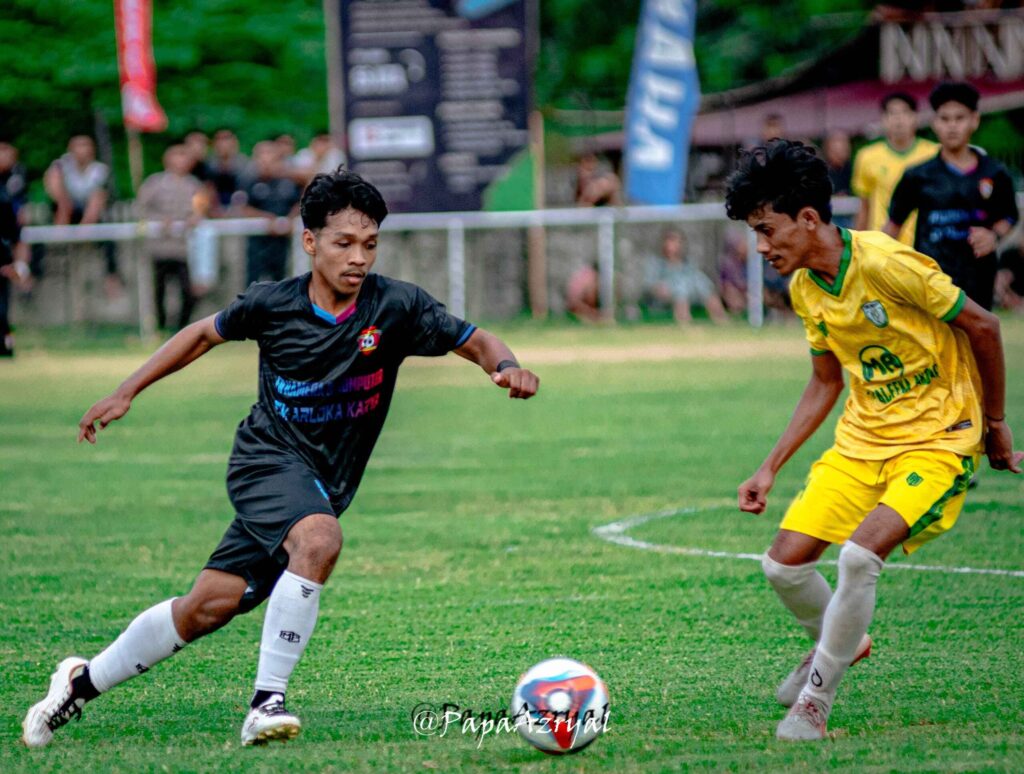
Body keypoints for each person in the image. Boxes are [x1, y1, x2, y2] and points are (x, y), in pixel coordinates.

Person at [21, 168, 540, 748]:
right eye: (344, 242)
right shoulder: (272, 304)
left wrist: (505, 366)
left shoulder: (396, 306)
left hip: (323, 482)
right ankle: (265, 703)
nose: (358, 257)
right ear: (310, 241)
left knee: (207, 607)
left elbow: (475, 339)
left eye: (370, 244)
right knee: (318, 539)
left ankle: (79, 682)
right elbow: (200, 334)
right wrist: (126, 391)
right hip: (265, 462)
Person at [725, 139, 1022, 741]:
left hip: (938, 438)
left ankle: (814, 704)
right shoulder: (806, 287)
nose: (761, 247)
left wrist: (994, 424)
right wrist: (769, 466)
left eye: (766, 230)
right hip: (862, 443)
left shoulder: (887, 264)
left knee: (859, 557)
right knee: (782, 567)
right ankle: (843, 642)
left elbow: (984, 326)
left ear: (809, 218)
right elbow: (825, 381)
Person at [885, 82, 1019, 310]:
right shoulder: (917, 176)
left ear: (974, 120)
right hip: (932, 281)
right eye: (945, 119)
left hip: (978, 280)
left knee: (977, 332)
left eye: (959, 118)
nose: (952, 126)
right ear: (935, 123)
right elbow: (892, 227)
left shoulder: (994, 173)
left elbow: (1009, 216)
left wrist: (993, 237)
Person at [852, 92, 938, 243]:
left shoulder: (935, 154)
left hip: (924, 243)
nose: (899, 119)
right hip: (883, 244)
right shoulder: (867, 156)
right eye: (892, 113)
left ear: (915, 117)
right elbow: (864, 207)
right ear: (883, 119)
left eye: (905, 112)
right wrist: (858, 244)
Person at [136, 144, 204, 331]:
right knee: (159, 289)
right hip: (160, 247)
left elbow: (200, 209)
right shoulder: (154, 183)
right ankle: (160, 326)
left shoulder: (194, 185)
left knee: (188, 290)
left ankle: (182, 327)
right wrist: (159, 221)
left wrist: (195, 217)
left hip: (184, 249)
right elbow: (141, 209)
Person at [43, 135, 121, 295]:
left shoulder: (99, 170)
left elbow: (97, 200)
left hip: (89, 214)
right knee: (37, 234)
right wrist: (63, 214)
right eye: (78, 146)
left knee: (109, 238)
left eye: (86, 145)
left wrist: (85, 227)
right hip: (63, 210)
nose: (82, 150)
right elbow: (53, 188)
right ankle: (35, 273)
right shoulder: (60, 166)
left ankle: (112, 276)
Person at [238, 140, 302, 284]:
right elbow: (242, 207)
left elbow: (300, 202)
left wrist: (290, 219)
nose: (266, 161)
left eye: (270, 156)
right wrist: (268, 220)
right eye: (261, 156)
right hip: (257, 243)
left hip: (281, 242)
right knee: (253, 283)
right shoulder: (248, 181)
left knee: (280, 281)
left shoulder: (288, 181)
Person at [643, 227, 727, 324]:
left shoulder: (688, 263)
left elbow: (699, 283)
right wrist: (658, 288)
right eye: (670, 240)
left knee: (701, 281)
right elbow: (648, 286)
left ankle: (721, 320)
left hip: (691, 295)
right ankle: (684, 322)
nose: (673, 244)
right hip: (664, 298)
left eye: (677, 241)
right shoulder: (655, 263)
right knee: (681, 288)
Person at [0, 159, 29, 356]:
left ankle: (6, 345)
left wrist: (19, 266)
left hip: (3, 266)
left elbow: (17, 237)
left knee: (2, 311)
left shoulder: (5, 200)